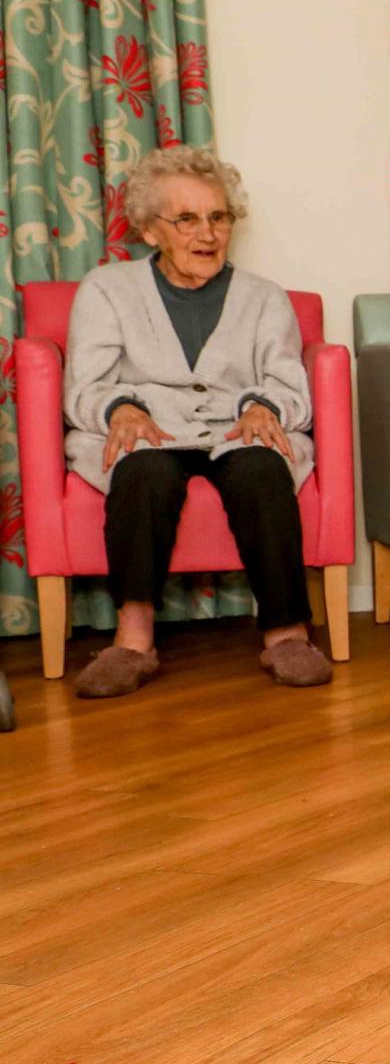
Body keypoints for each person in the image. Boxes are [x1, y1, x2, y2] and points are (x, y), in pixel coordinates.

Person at [61, 146, 331, 697]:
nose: (206, 233)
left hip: (236, 429)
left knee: (262, 469)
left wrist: (263, 405)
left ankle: (287, 633)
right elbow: (84, 386)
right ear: (150, 230)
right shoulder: (107, 289)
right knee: (144, 474)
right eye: (186, 218)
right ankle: (133, 640)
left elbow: (290, 386)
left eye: (218, 217)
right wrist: (123, 408)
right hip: (149, 431)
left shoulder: (265, 298)